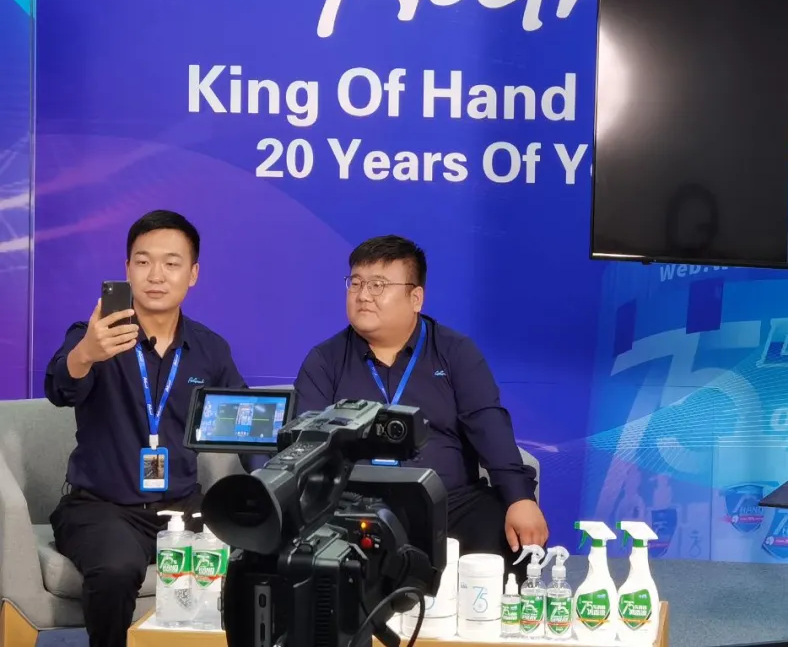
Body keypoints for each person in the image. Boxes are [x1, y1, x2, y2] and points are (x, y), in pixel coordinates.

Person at [44, 210, 247, 647]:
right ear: (127, 269)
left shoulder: (209, 349)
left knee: (258, 557)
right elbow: (59, 389)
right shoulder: (94, 336)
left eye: (171, 263)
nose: (156, 275)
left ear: (192, 274)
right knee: (115, 570)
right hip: (103, 507)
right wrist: (85, 355)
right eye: (143, 261)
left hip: (184, 506)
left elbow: (243, 426)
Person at [293, 235, 548, 575]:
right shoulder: (324, 360)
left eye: (378, 285)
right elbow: (304, 444)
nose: (363, 295)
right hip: (353, 508)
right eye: (355, 283)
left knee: (504, 534)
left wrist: (520, 498)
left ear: (416, 298)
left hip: (448, 505)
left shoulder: (455, 352)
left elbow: (489, 428)